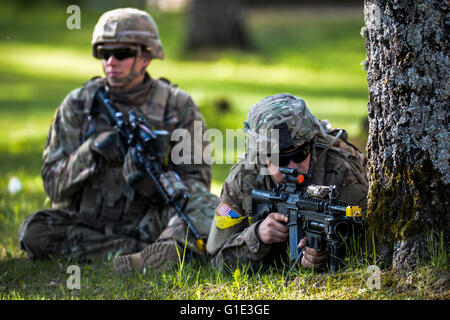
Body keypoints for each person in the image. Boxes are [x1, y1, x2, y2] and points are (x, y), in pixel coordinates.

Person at [18, 8, 219, 273]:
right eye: (104, 53)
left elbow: (197, 183)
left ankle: (162, 246)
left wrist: (153, 177)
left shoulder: (177, 105)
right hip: (90, 221)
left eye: (122, 53)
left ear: (146, 57)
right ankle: (151, 252)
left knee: (212, 208)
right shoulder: (78, 105)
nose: (111, 61)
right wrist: (91, 152)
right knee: (34, 231)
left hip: (152, 218)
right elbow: (54, 187)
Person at [207, 93, 368, 272]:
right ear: (262, 157)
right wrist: (257, 235)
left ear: (312, 144)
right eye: (280, 159)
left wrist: (330, 254)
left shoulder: (341, 171)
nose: (292, 167)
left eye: (300, 154)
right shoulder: (244, 178)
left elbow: (372, 247)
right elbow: (217, 263)